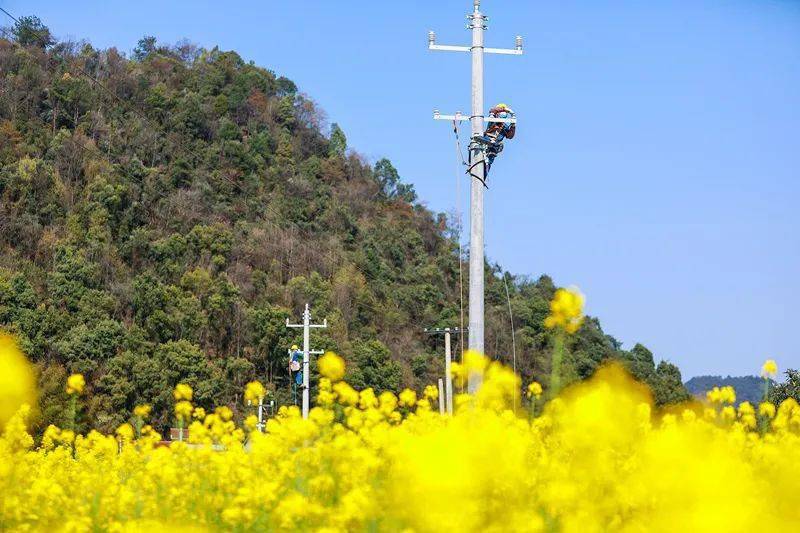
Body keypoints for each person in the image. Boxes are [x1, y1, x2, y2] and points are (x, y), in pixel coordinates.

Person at [473, 103, 516, 174]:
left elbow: (510, 136)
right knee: (481, 159)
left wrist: (513, 125)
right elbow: (492, 110)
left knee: (488, 163)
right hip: (487, 141)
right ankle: (485, 143)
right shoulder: (492, 120)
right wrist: (505, 109)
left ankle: (483, 178)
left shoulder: (504, 126)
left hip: (494, 146)